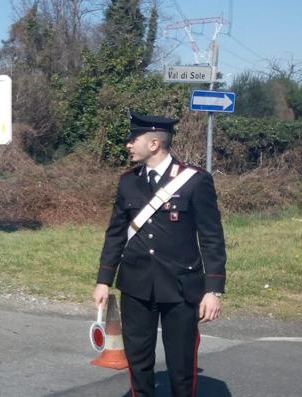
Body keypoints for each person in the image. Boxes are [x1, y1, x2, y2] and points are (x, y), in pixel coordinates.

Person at [92, 111, 227, 397]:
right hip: (136, 286)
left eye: (133, 139)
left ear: (154, 143)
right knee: (139, 361)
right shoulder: (128, 181)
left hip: (181, 288)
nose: (128, 144)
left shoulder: (195, 180)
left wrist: (213, 289)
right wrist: (103, 279)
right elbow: (116, 232)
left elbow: (212, 236)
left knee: (181, 364)